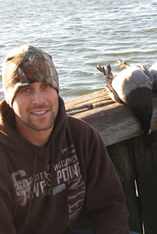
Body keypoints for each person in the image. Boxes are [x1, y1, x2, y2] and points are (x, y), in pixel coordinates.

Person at [0, 44, 129, 233]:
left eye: (46, 86)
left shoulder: (82, 137)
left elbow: (111, 209)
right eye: (25, 90)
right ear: (10, 99)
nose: (38, 100)